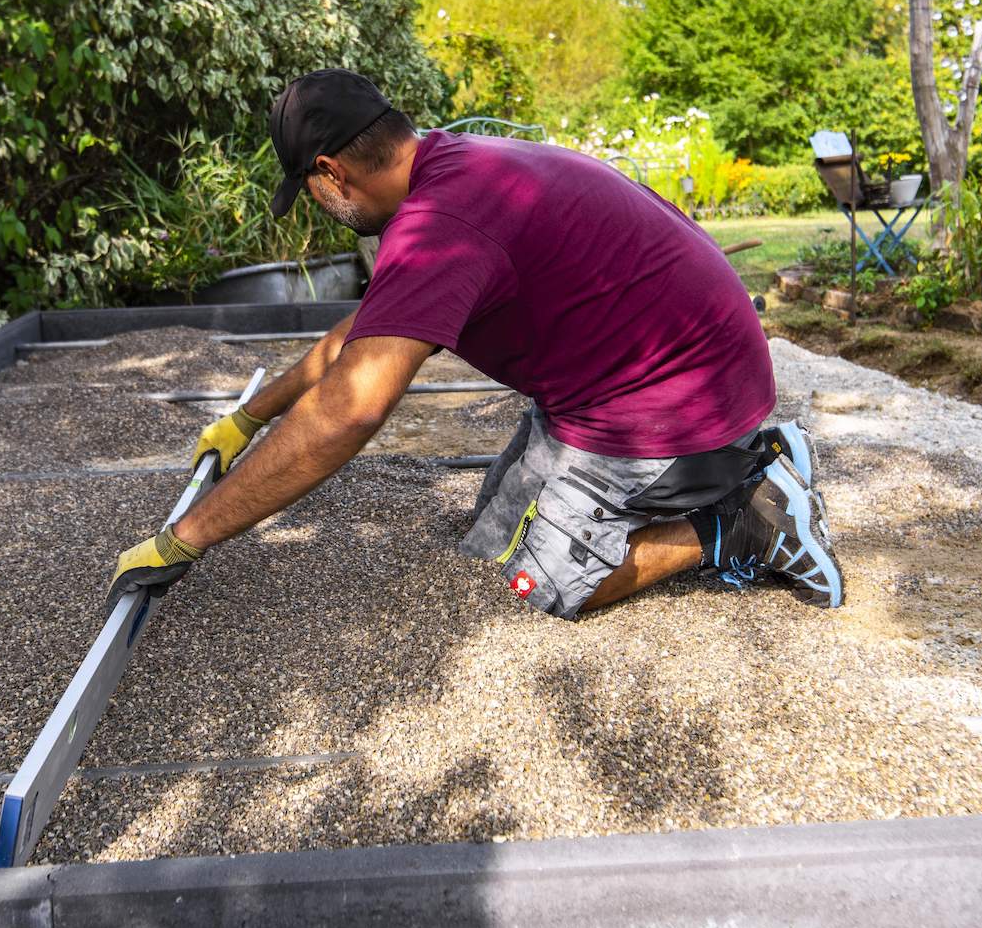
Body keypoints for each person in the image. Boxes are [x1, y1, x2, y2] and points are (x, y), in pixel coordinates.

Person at [109, 69, 841, 618]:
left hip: (674, 410)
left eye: (309, 191)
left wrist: (186, 537)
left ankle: (741, 519)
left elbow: (351, 409)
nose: (319, 208)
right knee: (489, 545)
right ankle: (750, 467)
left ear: (329, 173)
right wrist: (249, 419)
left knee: (543, 587)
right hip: (631, 382)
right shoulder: (455, 166)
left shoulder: (445, 224)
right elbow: (361, 340)